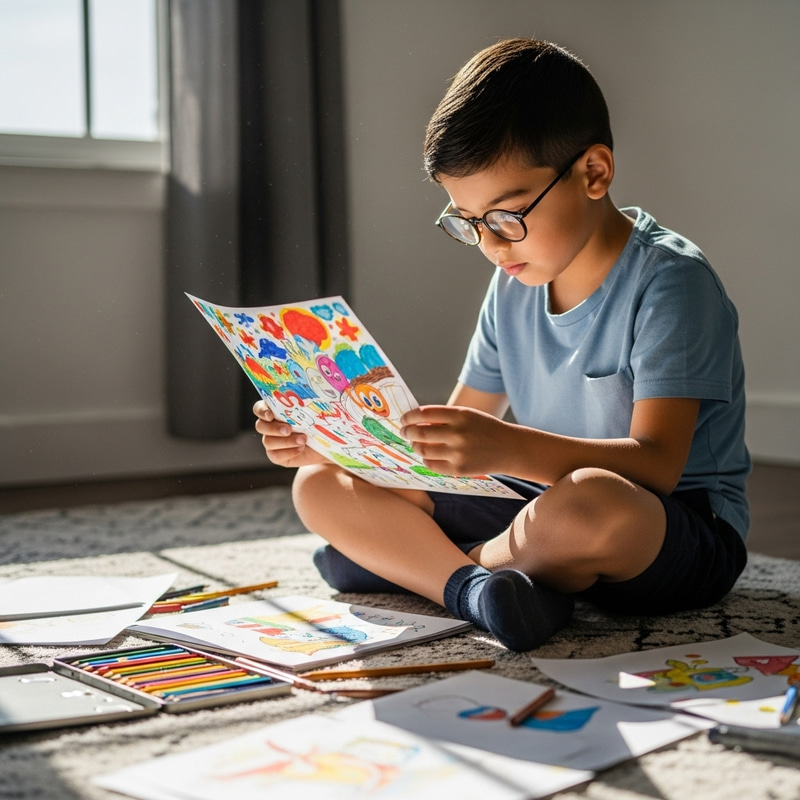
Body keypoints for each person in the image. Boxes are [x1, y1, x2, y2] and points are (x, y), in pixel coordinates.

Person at [253, 37, 750, 652]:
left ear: (593, 173)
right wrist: (330, 435)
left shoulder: (672, 282)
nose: (490, 244)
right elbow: (448, 440)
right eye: (468, 221)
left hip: (666, 525)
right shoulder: (513, 282)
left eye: (507, 216)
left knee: (588, 503)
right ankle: (480, 590)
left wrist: (506, 447)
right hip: (533, 511)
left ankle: (428, 568)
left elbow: (656, 466)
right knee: (319, 486)